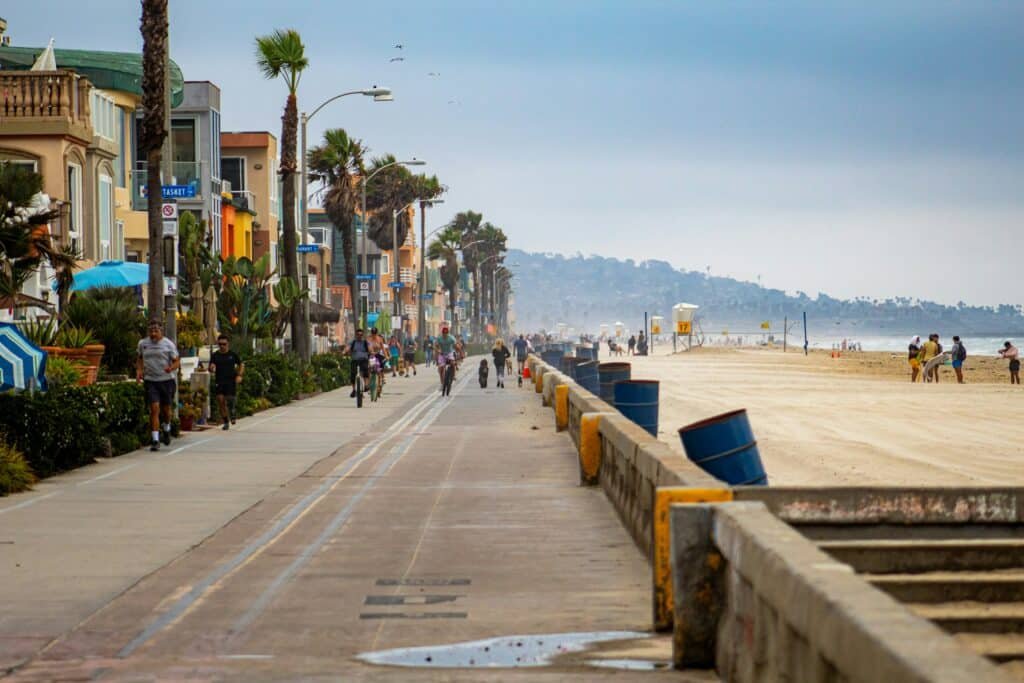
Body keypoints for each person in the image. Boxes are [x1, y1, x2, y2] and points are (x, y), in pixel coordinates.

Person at [136, 320, 181, 452]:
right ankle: (155, 439)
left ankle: (167, 428)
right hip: (151, 381)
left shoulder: (168, 344)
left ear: (161, 331)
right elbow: (139, 358)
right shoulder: (143, 344)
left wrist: (171, 367)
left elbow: (177, 361)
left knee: (166, 410)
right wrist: (139, 371)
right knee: (154, 408)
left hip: (166, 381)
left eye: (156, 331)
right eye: (151, 331)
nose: (153, 334)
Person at [209, 334, 244, 430]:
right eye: (220, 344)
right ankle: (225, 422)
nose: (222, 346)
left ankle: (232, 412)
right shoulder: (215, 355)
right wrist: (211, 368)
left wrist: (239, 375)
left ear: (228, 344)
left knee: (230, 399)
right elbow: (211, 366)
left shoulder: (232, 355)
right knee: (220, 401)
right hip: (219, 381)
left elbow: (241, 364)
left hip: (230, 381)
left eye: (224, 344)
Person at [348, 328, 371, 397]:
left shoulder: (365, 342)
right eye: (358, 335)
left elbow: (370, 348)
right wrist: (344, 351)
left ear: (362, 335)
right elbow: (348, 347)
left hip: (363, 360)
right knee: (353, 374)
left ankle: (366, 385)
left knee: (365, 371)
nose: (359, 336)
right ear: (356, 335)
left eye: (361, 335)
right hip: (354, 360)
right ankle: (354, 390)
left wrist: (371, 351)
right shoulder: (353, 342)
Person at [435, 326, 458, 391]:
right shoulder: (439, 338)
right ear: (442, 333)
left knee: (453, 364)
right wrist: (438, 350)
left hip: (449, 353)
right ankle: (442, 384)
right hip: (442, 353)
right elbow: (436, 346)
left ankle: (453, 376)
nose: (445, 334)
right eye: (444, 333)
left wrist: (461, 353)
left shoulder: (451, 338)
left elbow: (456, 346)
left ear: (448, 333)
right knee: (440, 368)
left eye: (446, 333)